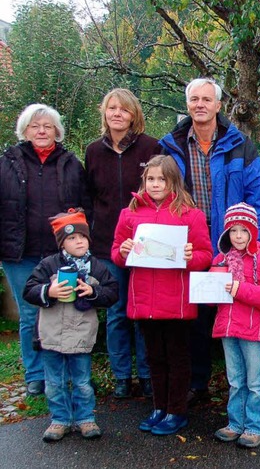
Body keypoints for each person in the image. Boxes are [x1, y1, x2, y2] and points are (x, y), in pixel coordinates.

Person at [159, 78, 260, 404]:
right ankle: (197, 382)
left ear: (219, 105)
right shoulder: (171, 146)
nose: (200, 104)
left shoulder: (240, 145)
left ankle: (238, 384)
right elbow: (157, 193)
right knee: (191, 314)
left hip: (227, 245)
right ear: (187, 104)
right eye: (194, 99)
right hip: (186, 243)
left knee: (229, 311)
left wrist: (254, 246)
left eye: (207, 99)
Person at [111, 155, 212, 436]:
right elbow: (117, 251)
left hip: (177, 300)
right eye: (151, 179)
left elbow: (205, 255)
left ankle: (176, 411)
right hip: (144, 299)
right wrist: (121, 252)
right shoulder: (130, 213)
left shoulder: (191, 214)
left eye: (162, 179)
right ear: (144, 181)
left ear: (173, 182)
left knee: (178, 357)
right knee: (153, 357)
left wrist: (191, 257)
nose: (156, 185)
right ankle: (159, 407)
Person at [0, 104, 92, 397]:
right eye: (35, 126)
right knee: (30, 313)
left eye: (47, 126)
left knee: (64, 309)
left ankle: (63, 370)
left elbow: (84, 203)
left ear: (57, 131)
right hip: (20, 252)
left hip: (60, 254)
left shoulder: (70, 163)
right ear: (24, 130)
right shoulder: (8, 162)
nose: (41, 131)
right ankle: (36, 375)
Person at [85, 88, 161, 399]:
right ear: (104, 113)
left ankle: (146, 374)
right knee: (116, 313)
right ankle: (121, 376)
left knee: (142, 311)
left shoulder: (150, 147)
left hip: (145, 244)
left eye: (124, 109)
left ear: (134, 115)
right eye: (111, 108)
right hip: (107, 245)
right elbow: (88, 198)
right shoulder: (92, 151)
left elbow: (161, 191)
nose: (117, 113)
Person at [22, 208, 118, 442]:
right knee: (54, 382)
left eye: (83, 237)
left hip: (81, 336)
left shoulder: (95, 267)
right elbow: (29, 291)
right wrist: (49, 290)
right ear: (61, 244)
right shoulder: (48, 265)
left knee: (83, 382)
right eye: (72, 238)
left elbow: (112, 292)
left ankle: (85, 418)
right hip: (51, 335)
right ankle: (60, 419)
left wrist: (93, 291)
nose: (79, 241)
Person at [211, 203, 260, 448]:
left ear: (253, 231)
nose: (239, 236)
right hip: (227, 328)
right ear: (226, 234)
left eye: (244, 230)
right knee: (235, 380)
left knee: (255, 382)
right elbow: (210, 292)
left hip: (253, 330)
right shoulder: (220, 259)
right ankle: (235, 424)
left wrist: (239, 289)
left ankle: (255, 427)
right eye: (233, 231)